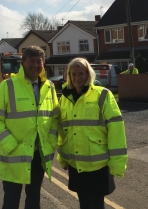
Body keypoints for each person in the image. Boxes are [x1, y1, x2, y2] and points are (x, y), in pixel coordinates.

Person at [0, 46, 60, 209]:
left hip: (38, 155)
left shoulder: (49, 86)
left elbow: (55, 117)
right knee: (11, 200)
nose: (35, 65)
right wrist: (11, 146)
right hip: (15, 154)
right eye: (31, 61)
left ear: (44, 63)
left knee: (34, 199)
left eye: (39, 61)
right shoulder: (7, 86)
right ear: (23, 62)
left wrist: (51, 141)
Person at [57, 57, 128, 209]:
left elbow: (116, 130)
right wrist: (63, 158)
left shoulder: (103, 95)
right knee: (83, 203)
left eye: (81, 73)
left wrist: (117, 165)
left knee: (96, 204)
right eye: (73, 74)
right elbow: (62, 131)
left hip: (98, 166)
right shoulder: (65, 98)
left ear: (88, 74)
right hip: (76, 165)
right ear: (69, 76)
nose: (77, 78)